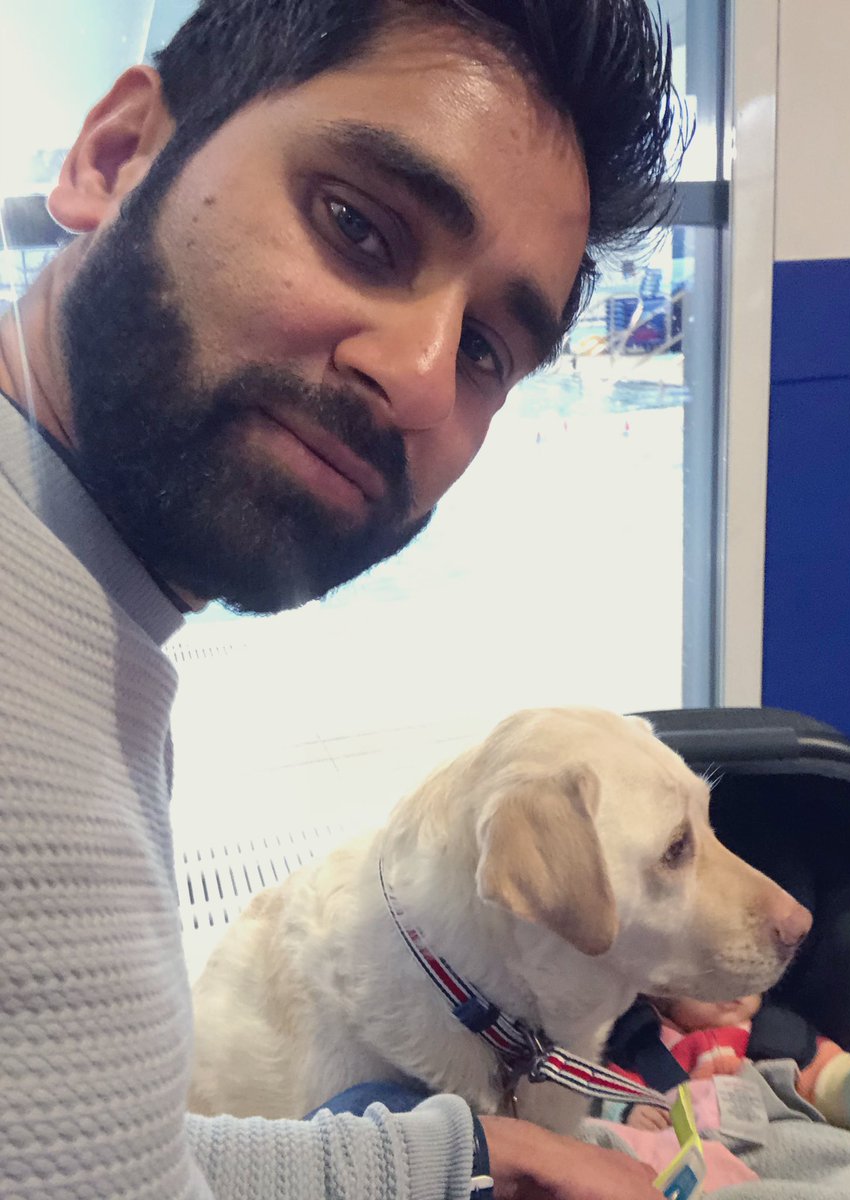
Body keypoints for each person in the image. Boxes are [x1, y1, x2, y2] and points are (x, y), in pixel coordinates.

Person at [0, 2, 681, 1197]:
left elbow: (116, 1152)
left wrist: (467, 1154)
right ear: (114, 156)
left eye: (483, 351)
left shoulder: (82, 616)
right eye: (357, 227)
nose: (416, 378)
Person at [612, 993, 850, 1136]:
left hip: (785, 1139)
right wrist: (626, 1114)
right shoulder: (639, 1047)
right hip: (692, 1162)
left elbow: (828, 1082)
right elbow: (603, 1095)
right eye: (712, 976)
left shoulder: (781, 1037)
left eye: (746, 976)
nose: (734, 987)